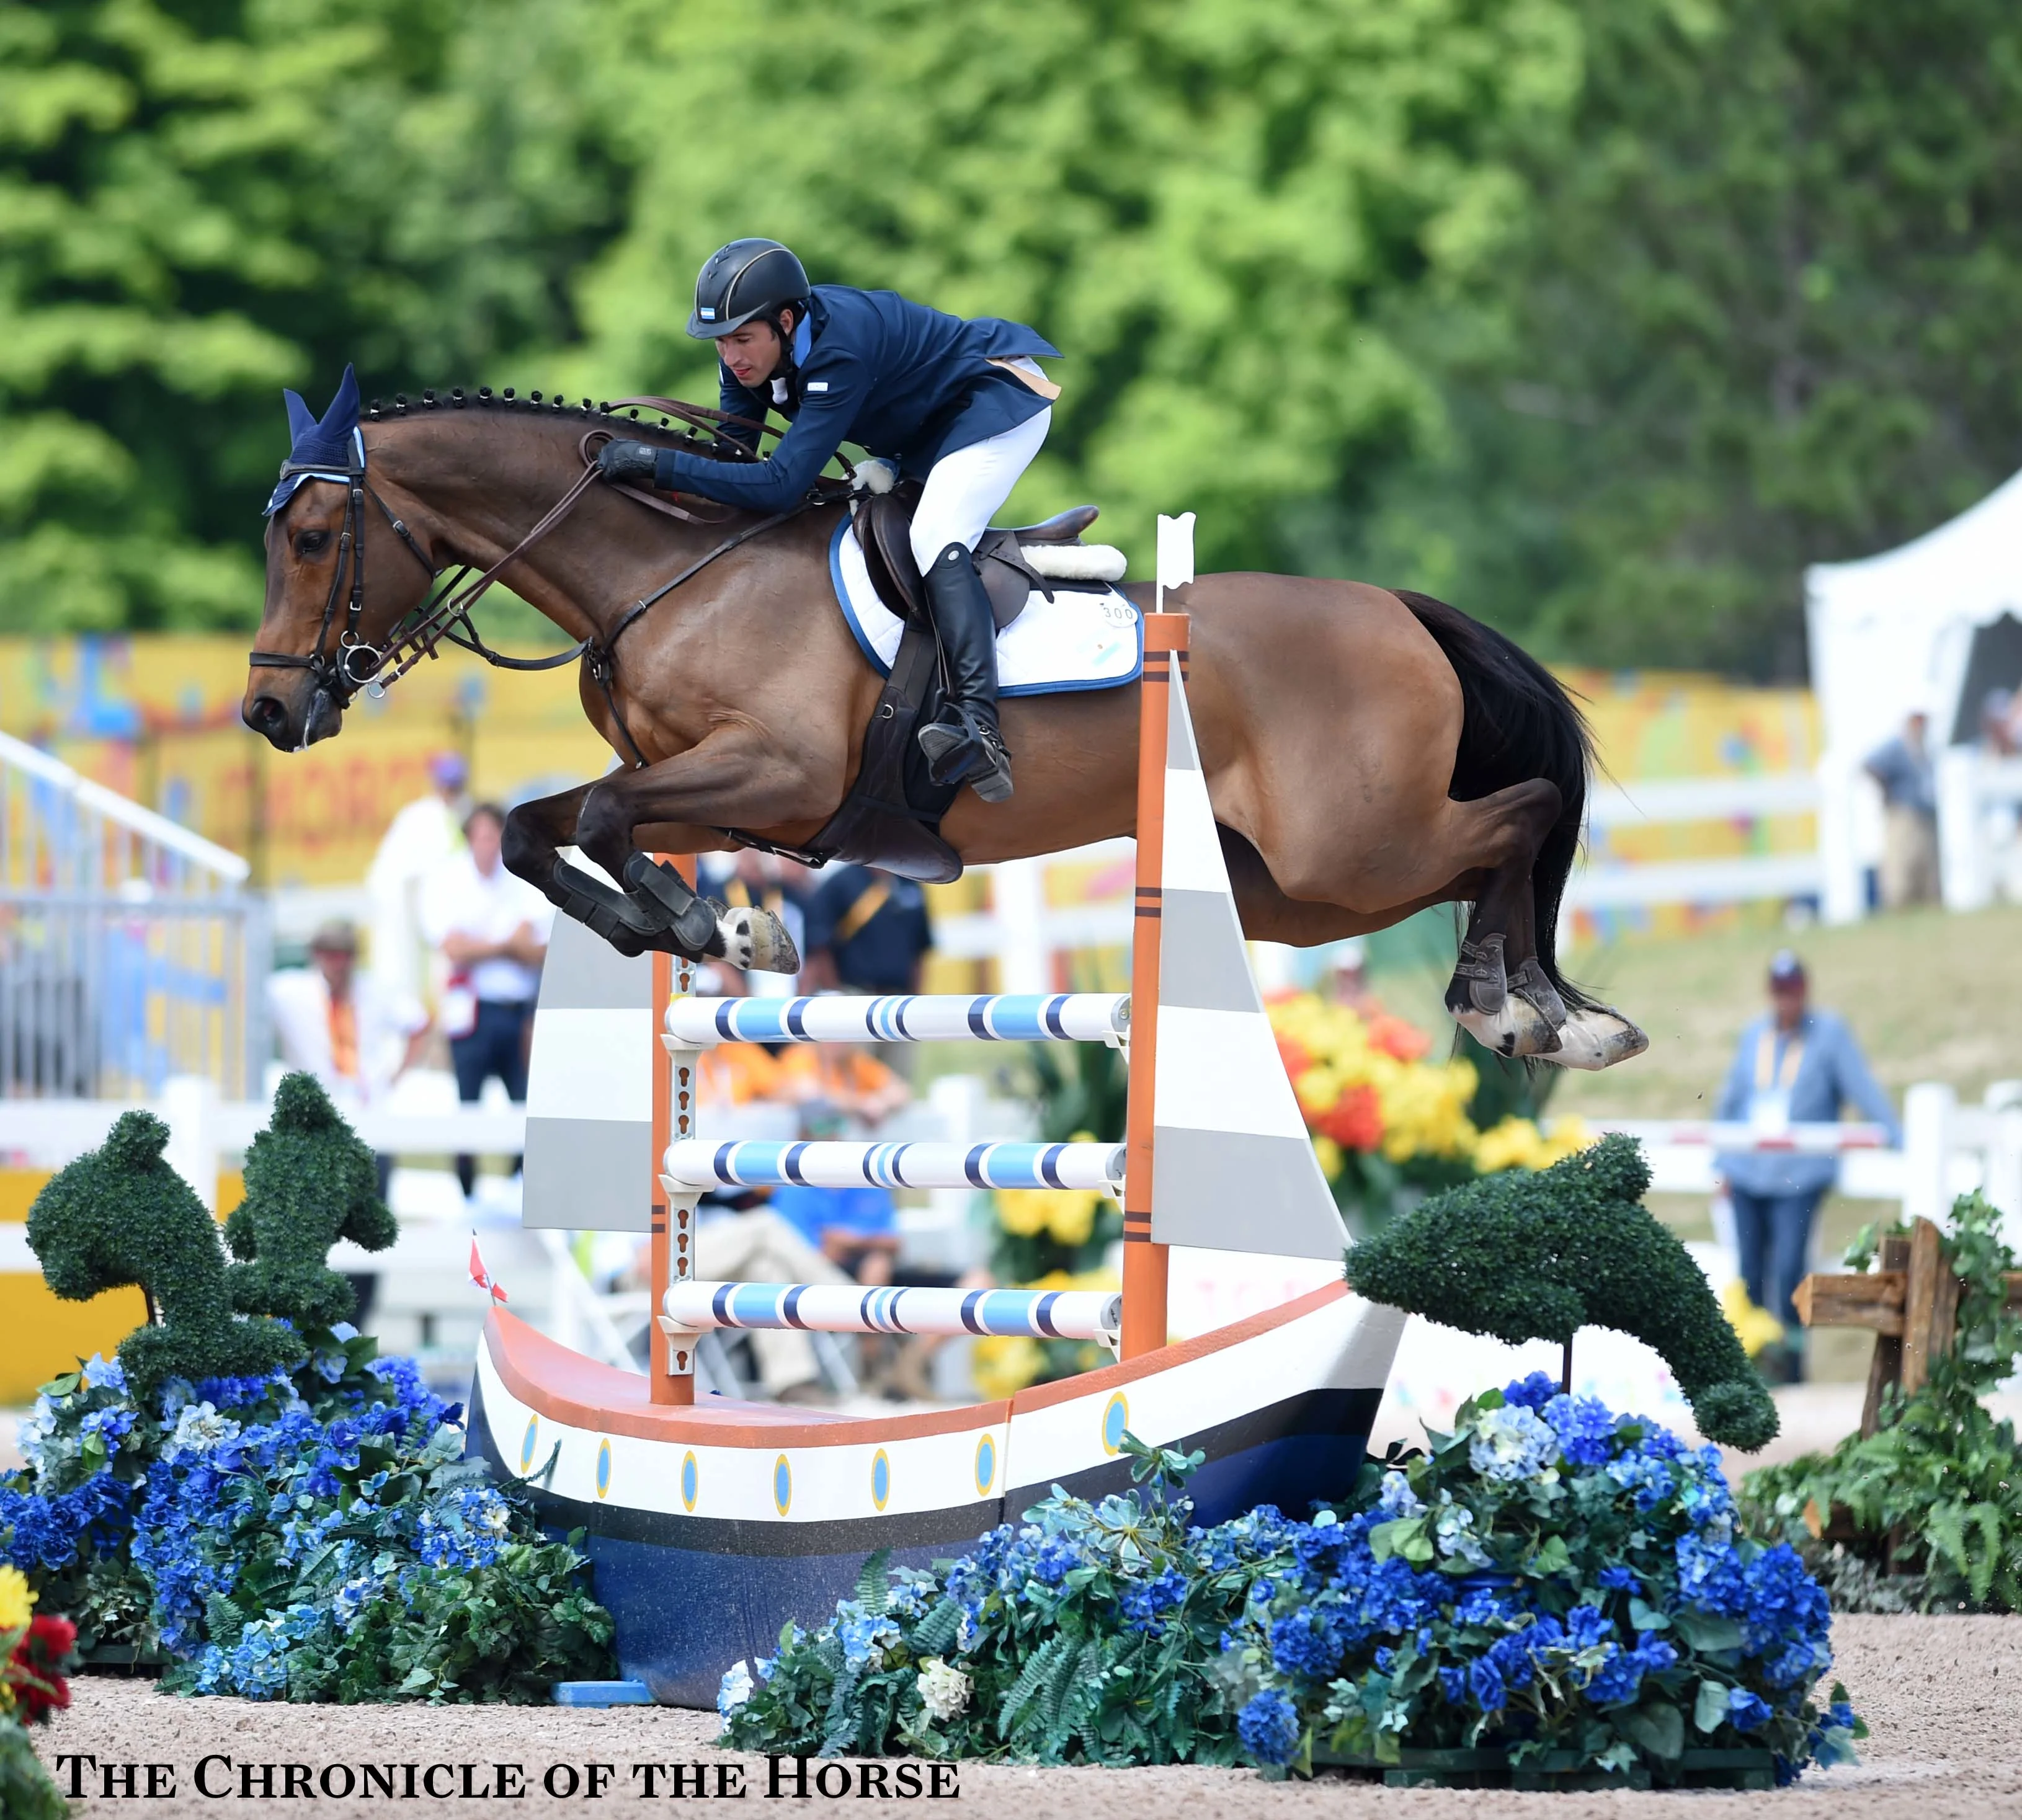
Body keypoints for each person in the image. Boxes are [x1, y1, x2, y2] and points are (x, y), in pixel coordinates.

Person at [594, 239, 1063, 804]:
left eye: (743, 339)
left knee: (935, 534)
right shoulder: (751, 363)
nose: (731, 357)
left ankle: (980, 725)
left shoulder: (840, 350)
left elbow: (779, 484)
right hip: (925, 425)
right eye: (721, 342)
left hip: (995, 400)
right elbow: (736, 461)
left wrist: (657, 464)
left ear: (785, 322)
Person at [1713, 951, 1900, 1381]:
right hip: (1748, 1171)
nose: (1787, 1001)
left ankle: (1794, 1370)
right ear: (1771, 994)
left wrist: (1894, 1132)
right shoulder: (1753, 1035)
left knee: (1789, 1270)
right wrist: (1721, 1161)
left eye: (1793, 991)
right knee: (1750, 1274)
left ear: (1805, 991)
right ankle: (1755, 1366)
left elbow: (1861, 1086)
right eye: (1780, 992)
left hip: (1797, 1176)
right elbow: (1730, 1100)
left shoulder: (1829, 1034)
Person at [266, 918, 429, 1321]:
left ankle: (358, 1323)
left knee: (369, 1226)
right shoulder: (291, 991)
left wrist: (395, 1075)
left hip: (369, 1120)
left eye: (343, 956)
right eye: (328, 956)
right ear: (316, 957)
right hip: (318, 1126)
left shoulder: (376, 990)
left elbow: (421, 1024)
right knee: (314, 1224)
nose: (336, 966)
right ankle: (312, 1319)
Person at [419, 802, 553, 1197]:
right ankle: (467, 1191)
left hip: (518, 1011)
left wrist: (482, 946)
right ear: (469, 840)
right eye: (481, 836)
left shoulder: (522, 878)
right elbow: (454, 949)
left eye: (494, 835)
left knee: (524, 1102)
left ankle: (518, 1186)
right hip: (473, 1012)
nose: (488, 844)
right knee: (468, 1102)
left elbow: (538, 949)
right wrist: (507, 945)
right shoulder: (447, 881)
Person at [365, 750, 470, 1002]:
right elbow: (390, 875)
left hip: (453, 923)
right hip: (413, 920)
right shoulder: (418, 817)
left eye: (455, 785)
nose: (450, 791)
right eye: (447, 785)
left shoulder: (466, 814)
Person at [801, 864, 934, 995]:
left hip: (898, 996)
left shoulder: (910, 884)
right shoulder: (840, 883)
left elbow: (919, 948)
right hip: (855, 995)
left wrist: (915, 995)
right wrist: (836, 994)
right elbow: (821, 947)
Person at [1864, 711, 1940, 908]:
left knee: (1926, 873)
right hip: (1904, 814)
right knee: (1902, 871)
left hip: (1924, 815)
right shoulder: (1897, 746)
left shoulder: (1924, 748)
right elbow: (1870, 765)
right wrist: (1887, 790)